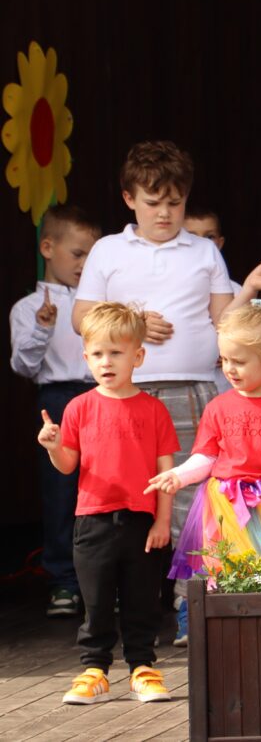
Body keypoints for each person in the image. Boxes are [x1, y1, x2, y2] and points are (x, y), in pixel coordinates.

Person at [73, 140, 261, 646]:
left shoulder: (203, 250)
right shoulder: (108, 250)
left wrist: (250, 290)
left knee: (196, 499)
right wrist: (132, 320)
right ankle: (125, 610)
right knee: (127, 499)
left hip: (193, 388)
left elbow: (224, 319)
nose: (165, 213)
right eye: (153, 202)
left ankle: (193, 605)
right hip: (125, 395)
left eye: (175, 202)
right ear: (129, 199)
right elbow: (82, 317)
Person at [39, 303, 178, 704]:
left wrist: (162, 522)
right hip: (93, 520)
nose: (106, 362)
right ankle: (94, 670)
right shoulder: (79, 407)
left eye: (116, 353)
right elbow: (68, 465)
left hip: (142, 521)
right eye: (98, 353)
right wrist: (53, 446)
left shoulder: (154, 409)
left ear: (138, 356)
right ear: (86, 357)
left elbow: (166, 472)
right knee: (96, 601)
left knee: (142, 600)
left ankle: (142, 668)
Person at [152, 301, 261, 581]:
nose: (229, 369)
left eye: (239, 362)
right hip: (226, 504)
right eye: (224, 360)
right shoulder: (218, 407)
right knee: (229, 575)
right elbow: (207, 457)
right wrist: (179, 475)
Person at [11, 204, 100, 617]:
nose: (85, 264)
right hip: (58, 400)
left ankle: (109, 580)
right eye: (78, 254)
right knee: (61, 490)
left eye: (91, 256)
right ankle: (64, 580)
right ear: (47, 248)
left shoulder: (99, 302)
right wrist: (42, 328)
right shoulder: (27, 308)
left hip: (102, 394)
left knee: (108, 486)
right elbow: (23, 367)